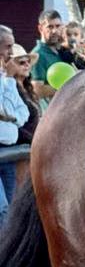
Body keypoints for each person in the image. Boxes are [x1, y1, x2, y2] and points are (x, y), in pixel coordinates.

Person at [0, 25, 29, 228]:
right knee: (2, 209)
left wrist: (10, 118)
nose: (11, 52)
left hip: (8, 153)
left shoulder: (6, 78)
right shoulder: (6, 79)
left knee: (10, 209)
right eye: (8, 46)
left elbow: (23, 114)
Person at [4, 44, 40, 145]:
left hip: (33, 144)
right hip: (18, 147)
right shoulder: (7, 89)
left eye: (28, 61)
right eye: (21, 62)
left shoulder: (28, 89)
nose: (27, 65)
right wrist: (34, 140)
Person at [30, 9, 65, 113]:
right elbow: (37, 90)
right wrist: (68, 86)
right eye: (50, 27)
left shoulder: (62, 52)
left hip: (65, 110)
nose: (54, 31)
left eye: (58, 26)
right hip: (50, 114)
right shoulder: (38, 54)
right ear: (40, 28)